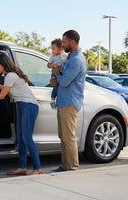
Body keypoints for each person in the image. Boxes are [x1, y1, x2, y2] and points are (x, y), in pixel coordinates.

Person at [0, 53, 42, 175]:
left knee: (27, 138)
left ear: (3, 64)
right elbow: (8, 92)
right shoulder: (11, 75)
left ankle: (37, 169)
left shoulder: (10, 76)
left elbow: (2, 96)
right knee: (21, 139)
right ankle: (22, 168)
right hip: (23, 106)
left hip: (29, 106)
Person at [50, 30, 86, 172]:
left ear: (72, 41)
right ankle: (65, 166)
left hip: (70, 102)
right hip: (63, 101)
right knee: (63, 136)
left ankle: (71, 167)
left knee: (68, 136)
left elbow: (64, 81)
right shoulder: (71, 57)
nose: (62, 44)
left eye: (64, 42)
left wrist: (56, 77)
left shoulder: (77, 60)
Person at [47, 39, 67, 109]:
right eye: (51, 49)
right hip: (54, 74)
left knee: (61, 87)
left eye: (54, 49)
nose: (52, 51)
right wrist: (54, 66)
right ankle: (52, 100)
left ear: (61, 48)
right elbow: (48, 65)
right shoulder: (52, 57)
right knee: (55, 87)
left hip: (62, 74)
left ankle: (60, 101)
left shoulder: (64, 56)